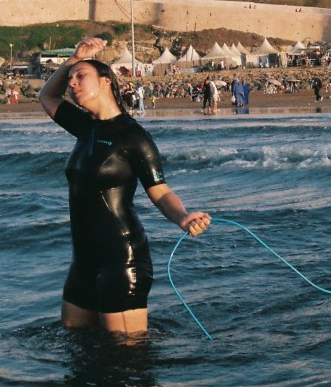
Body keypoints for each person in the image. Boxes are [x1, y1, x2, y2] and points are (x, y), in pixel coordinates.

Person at [38, 37, 210, 334]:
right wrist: (74, 59)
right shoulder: (84, 127)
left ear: (106, 81)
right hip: (82, 261)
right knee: (78, 348)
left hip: (122, 259)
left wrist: (182, 217)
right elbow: (47, 97)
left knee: (126, 360)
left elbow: (160, 191)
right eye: (70, 80)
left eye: (81, 77)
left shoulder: (133, 136)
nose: (72, 84)